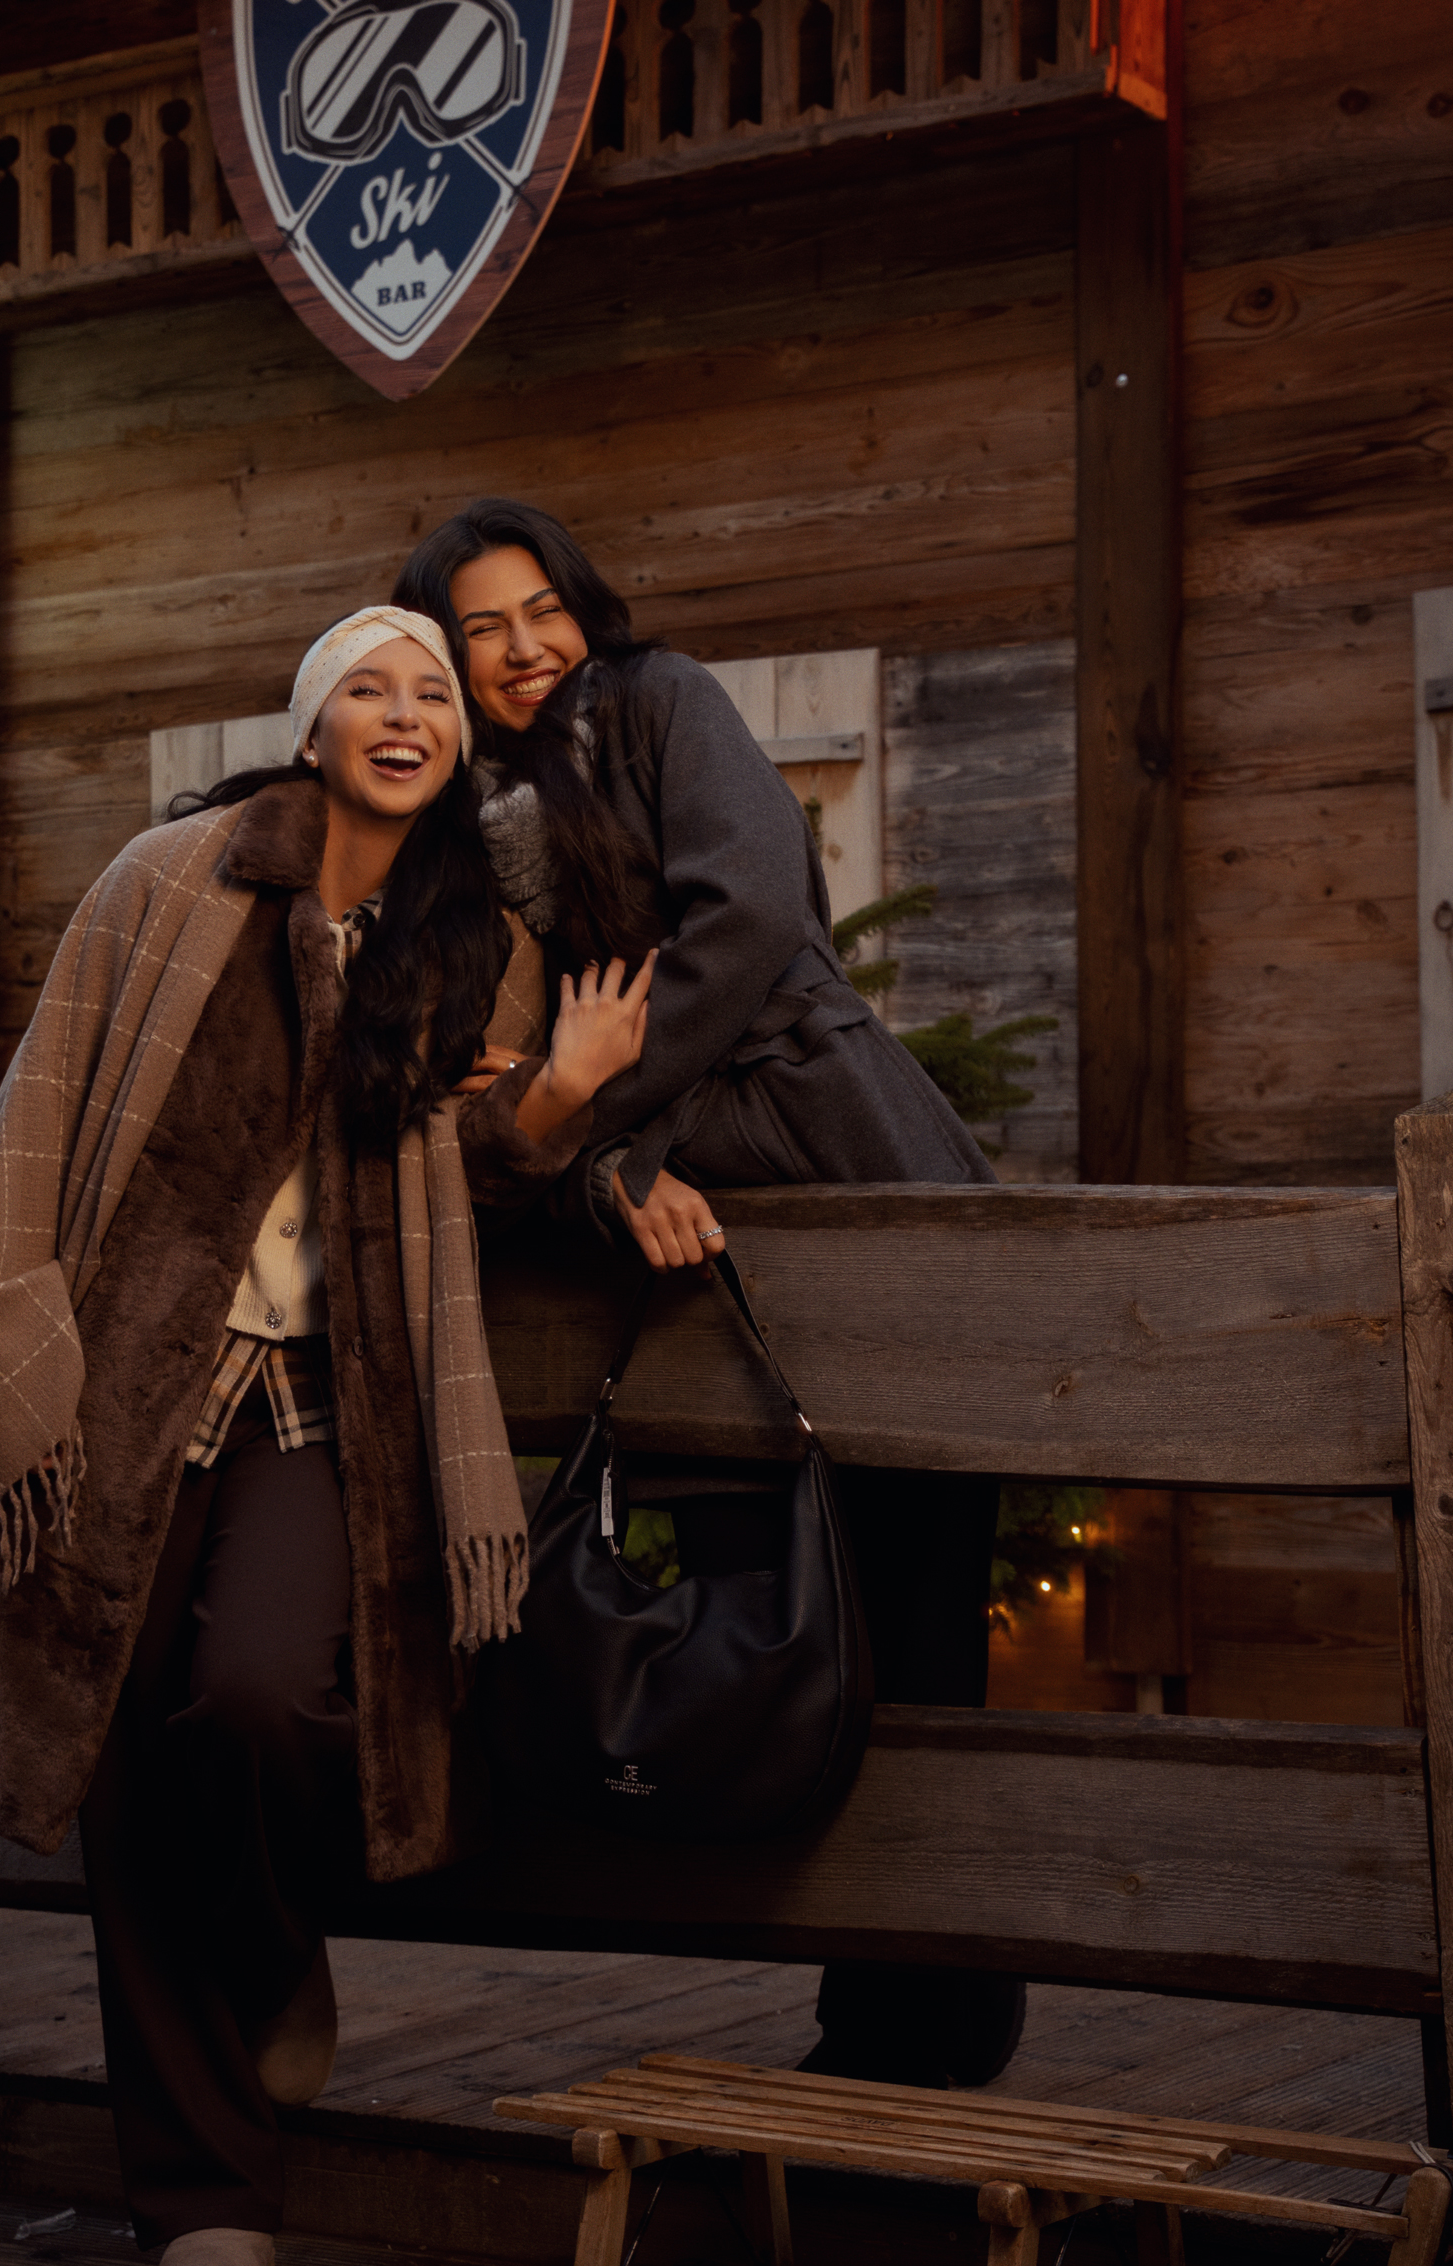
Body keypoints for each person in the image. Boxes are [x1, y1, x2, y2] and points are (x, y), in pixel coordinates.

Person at [0, 606, 652, 2266]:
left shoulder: (474, 939)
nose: (405, 714)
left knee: (264, 1696)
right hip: (132, 1380)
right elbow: (45, 1105)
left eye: (432, 695)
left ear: (455, 748)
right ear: (313, 727)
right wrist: (17, 1336)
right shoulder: (171, 882)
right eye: (369, 689)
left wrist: (564, 1104)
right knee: (119, 1751)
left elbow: (470, 1168)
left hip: (333, 1399)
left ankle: (270, 1950)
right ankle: (205, 2202)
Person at [392, 502, 1025, 2091]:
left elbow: (746, 921)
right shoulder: (460, 822)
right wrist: (591, 1160)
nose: (525, 648)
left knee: (918, 1610)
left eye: (543, 608)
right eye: (483, 627)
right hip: (693, 1224)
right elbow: (488, 1089)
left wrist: (585, 1111)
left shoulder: (660, 701)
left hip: (826, 1138)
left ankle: (941, 2019)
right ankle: (861, 2013)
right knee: (783, 1634)